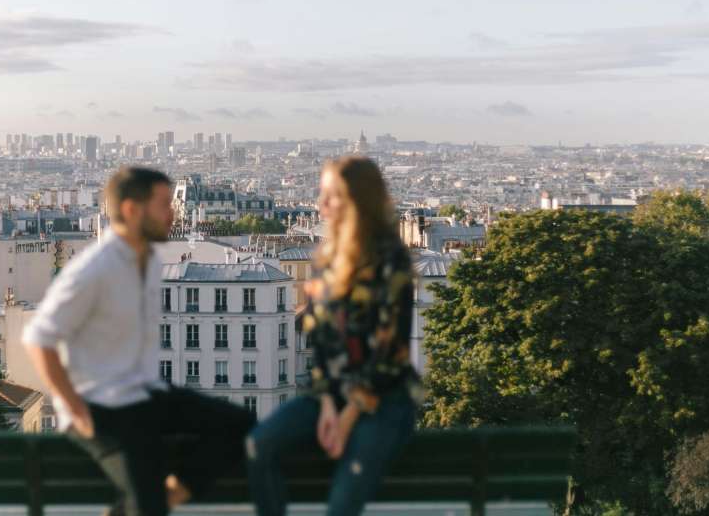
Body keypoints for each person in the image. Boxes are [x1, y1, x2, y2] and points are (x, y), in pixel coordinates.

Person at [22, 166, 255, 516]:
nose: (173, 213)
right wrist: (77, 409)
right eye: (164, 204)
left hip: (142, 395)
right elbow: (39, 338)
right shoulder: (96, 268)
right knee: (148, 508)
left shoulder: (146, 260)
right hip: (104, 408)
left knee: (240, 425)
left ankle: (160, 498)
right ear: (132, 210)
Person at [246, 156, 418, 516]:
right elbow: (323, 343)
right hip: (333, 395)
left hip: (380, 402)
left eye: (331, 195)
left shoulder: (390, 260)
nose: (321, 204)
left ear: (358, 200)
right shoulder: (326, 259)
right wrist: (326, 403)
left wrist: (345, 415)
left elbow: (388, 354)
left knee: (342, 505)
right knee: (259, 445)